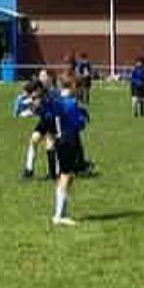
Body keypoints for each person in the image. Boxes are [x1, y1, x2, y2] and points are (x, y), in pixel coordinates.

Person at [49, 76, 90, 226]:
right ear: (72, 87)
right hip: (69, 140)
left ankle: (62, 213)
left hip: (60, 140)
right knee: (66, 176)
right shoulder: (72, 104)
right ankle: (59, 216)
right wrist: (83, 118)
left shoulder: (56, 101)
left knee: (66, 176)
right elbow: (79, 124)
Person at [18, 79, 59, 180]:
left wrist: (29, 107)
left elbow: (38, 106)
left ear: (39, 89)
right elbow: (34, 106)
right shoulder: (37, 96)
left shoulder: (50, 95)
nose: (33, 94)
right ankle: (29, 171)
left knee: (50, 145)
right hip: (44, 120)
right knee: (34, 140)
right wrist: (24, 103)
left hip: (53, 120)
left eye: (34, 91)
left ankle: (52, 173)